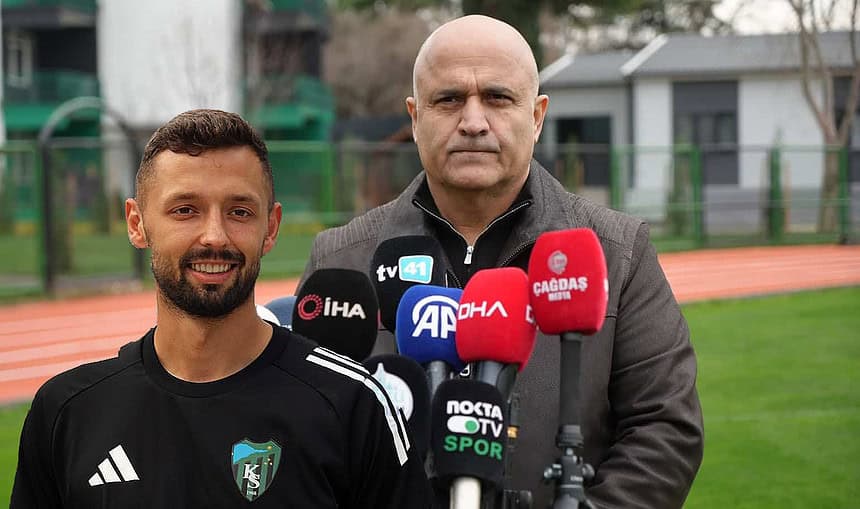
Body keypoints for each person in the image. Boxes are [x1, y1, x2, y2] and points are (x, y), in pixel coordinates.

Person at [298, 15, 704, 509]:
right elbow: (304, 435)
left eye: (497, 97)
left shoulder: (618, 254)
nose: (473, 122)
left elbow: (665, 429)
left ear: (537, 116)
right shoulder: (340, 261)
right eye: (449, 99)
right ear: (415, 117)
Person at [11, 109, 430, 508]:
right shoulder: (68, 412)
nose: (214, 236)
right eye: (185, 210)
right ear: (137, 223)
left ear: (270, 227)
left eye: (239, 212)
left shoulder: (354, 405)